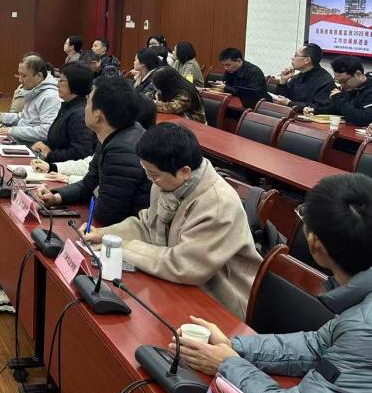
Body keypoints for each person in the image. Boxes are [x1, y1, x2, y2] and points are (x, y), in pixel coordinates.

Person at [173, 173, 372, 393]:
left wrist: (228, 364)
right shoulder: (360, 310)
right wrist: (234, 346)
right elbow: (318, 344)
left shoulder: (365, 327)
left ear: (314, 243)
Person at [84, 123, 261, 318]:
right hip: (176, 285)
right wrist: (105, 234)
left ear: (185, 172)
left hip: (219, 303)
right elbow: (146, 226)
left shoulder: (218, 204)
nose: (150, 180)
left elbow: (184, 265)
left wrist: (123, 247)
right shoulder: (166, 183)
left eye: (153, 174)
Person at [34, 76, 151, 226]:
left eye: (88, 102)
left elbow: (108, 214)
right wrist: (56, 197)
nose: (84, 107)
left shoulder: (122, 151)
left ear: (98, 115)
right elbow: (89, 184)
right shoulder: (114, 134)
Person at [33, 95, 158, 184]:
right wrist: (53, 167)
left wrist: (70, 179)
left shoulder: (126, 149)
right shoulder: (111, 137)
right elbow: (91, 164)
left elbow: (107, 186)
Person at [0, 55, 60, 145]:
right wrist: (2, 117)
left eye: (24, 76)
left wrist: (12, 131)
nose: (20, 80)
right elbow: (23, 117)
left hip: (33, 147)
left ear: (39, 76)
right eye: (19, 74)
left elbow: (46, 132)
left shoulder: (50, 97)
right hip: (22, 141)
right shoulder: (34, 90)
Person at [30, 62, 96, 164]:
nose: (57, 84)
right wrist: (44, 145)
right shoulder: (68, 106)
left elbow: (81, 152)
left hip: (64, 169)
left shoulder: (79, 114)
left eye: (61, 81)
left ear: (74, 83)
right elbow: (59, 140)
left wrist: (50, 154)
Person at [308, 55, 372, 125]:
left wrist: (339, 99)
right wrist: (315, 110)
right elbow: (337, 109)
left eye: (344, 81)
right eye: (339, 82)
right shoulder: (351, 87)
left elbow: (364, 119)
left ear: (358, 74)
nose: (342, 85)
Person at [271, 43, 334, 109]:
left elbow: (319, 106)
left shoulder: (325, 81)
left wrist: (290, 104)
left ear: (307, 60)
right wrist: (283, 82)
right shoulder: (297, 77)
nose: (292, 58)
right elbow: (281, 100)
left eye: (296, 55)